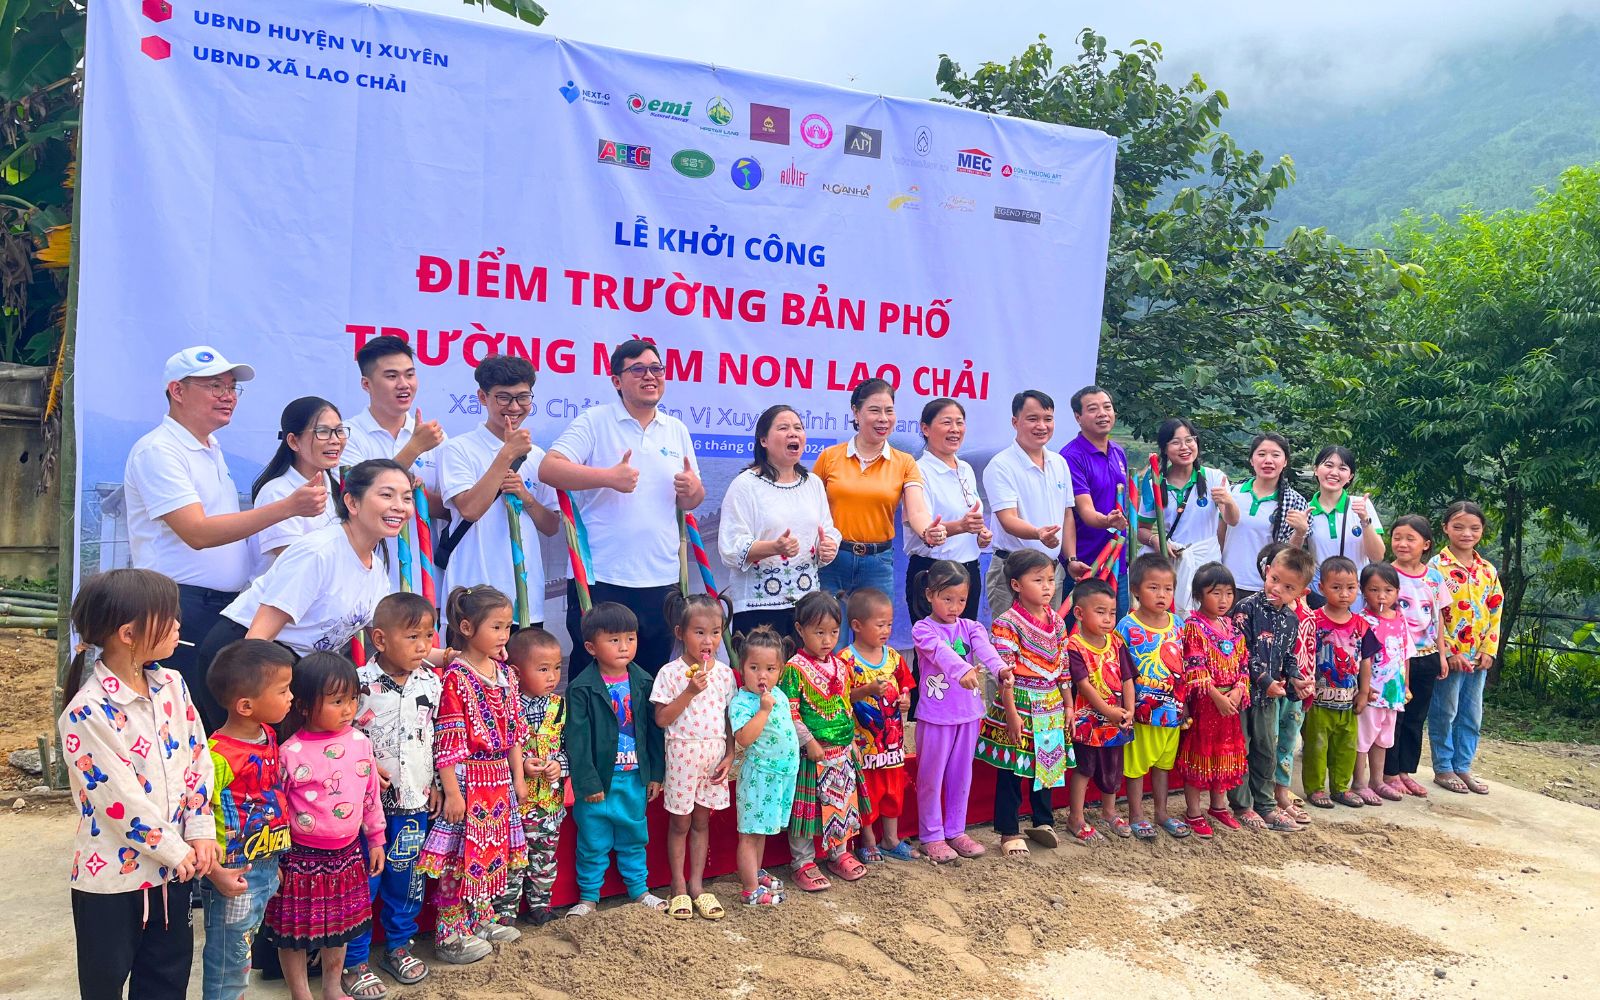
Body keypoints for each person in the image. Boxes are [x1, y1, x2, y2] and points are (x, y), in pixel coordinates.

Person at [125, 346, 323, 729]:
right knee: (185, 717)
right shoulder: (159, 451)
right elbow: (196, 532)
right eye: (214, 386)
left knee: (219, 717)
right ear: (177, 391)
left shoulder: (210, 448)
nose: (227, 396)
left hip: (223, 605)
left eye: (232, 388)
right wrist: (287, 508)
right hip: (180, 603)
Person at [59, 568, 217, 1000]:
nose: (180, 625)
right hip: (113, 881)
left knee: (167, 980)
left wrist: (201, 832)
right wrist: (177, 849)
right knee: (105, 983)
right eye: (169, 616)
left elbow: (198, 760)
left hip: (176, 870)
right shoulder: (86, 712)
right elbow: (119, 802)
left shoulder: (174, 685)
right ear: (129, 634)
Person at [541, 339, 706, 676]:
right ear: (616, 380)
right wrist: (608, 477)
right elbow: (549, 468)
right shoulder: (595, 421)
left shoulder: (676, 430)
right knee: (596, 677)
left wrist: (693, 490)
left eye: (656, 369)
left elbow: (691, 500)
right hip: (601, 575)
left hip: (661, 578)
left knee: (652, 677)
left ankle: (646, 733)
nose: (650, 376)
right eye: (638, 370)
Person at [198, 460, 414, 666]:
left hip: (291, 665)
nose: (399, 507)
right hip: (244, 657)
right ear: (352, 502)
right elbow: (258, 637)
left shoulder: (376, 572)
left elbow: (393, 644)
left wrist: (447, 656)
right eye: (387, 495)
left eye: (407, 498)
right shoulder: (318, 553)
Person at [416, 586, 528, 959]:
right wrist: (452, 791)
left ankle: (481, 918)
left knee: (490, 852)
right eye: (495, 627)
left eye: (506, 627)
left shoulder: (507, 675)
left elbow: (513, 732)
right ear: (465, 627)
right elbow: (447, 739)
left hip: (498, 778)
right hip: (467, 778)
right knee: (459, 858)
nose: (503, 635)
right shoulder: (456, 678)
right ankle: (449, 935)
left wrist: (519, 778)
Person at [266, 653, 386, 1000]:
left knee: (341, 930)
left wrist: (376, 838)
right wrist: (273, 859)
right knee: (295, 934)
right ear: (303, 705)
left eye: (351, 699)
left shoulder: (361, 743)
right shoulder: (290, 753)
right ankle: (301, 994)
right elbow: (275, 809)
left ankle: (332, 989)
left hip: (347, 856)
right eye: (337, 701)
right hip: (299, 859)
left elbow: (369, 796)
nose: (348, 708)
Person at [344, 593, 443, 995]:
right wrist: (366, 764)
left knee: (406, 879)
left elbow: (433, 737)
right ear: (380, 639)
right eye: (413, 637)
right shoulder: (357, 684)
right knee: (363, 884)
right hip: (366, 809)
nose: (423, 646)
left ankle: (399, 946)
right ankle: (353, 962)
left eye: (429, 636)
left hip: (414, 803)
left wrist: (435, 782)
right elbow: (341, 733)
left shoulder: (432, 683)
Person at [200, 640, 294, 1000]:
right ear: (245, 705)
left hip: (265, 863)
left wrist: (272, 863)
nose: (290, 697)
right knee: (230, 956)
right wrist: (215, 872)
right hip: (234, 871)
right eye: (283, 690)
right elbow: (199, 816)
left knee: (245, 944)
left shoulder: (267, 734)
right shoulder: (217, 755)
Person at [438, 355, 559, 627]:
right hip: (472, 596)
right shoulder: (458, 449)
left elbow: (551, 526)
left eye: (523, 397)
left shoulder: (538, 456)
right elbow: (469, 509)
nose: (514, 407)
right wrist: (506, 455)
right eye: (503, 398)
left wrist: (526, 497)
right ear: (483, 397)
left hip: (525, 600)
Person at [564, 602, 669, 915]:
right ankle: (588, 898)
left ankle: (639, 890)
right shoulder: (581, 688)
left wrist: (655, 774)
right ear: (591, 647)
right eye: (614, 640)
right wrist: (587, 781)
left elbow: (653, 733)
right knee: (593, 841)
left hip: (634, 778)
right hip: (598, 782)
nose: (624, 647)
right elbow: (577, 740)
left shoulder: (644, 681)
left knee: (634, 836)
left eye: (630, 638)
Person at [814, 379, 943, 611]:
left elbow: (916, 510)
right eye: (874, 410)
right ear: (856, 412)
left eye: (889, 411)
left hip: (877, 563)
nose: (883, 418)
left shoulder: (905, 463)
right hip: (832, 560)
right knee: (830, 641)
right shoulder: (829, 457)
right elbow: (811, 510)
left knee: (874, 639)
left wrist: (927, 530)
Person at [910, 561, 1007, 864]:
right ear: (929, 595)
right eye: (946, 599)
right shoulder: (923, 629)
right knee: (931, 776)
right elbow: (942, 653)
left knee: (961, 775)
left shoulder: (971, 627)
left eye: (961, 600)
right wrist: (964, 669)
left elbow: (986, 649)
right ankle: (931, 835)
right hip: (936, 716)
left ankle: (956, 829)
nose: (954, 607)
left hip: (969, 714)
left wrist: (1001, 668)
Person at [717, 404, 841, 639]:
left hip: (806, 609)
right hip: (758, 608)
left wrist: (828, 547)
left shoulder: (813, 483)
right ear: (763, 440)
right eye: (783, 428)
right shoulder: (745, 485)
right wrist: (774, 548)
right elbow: (731, 548)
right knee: (764, 676)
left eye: (798, 428)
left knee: (801, 675)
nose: (793, 433)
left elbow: (828, 531)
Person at [978, 549, 1070, 858]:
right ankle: (1009, 830)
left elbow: (1064, 667)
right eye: (1038, 580)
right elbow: (1006, 674)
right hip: (1017, 702)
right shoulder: (1006, 623)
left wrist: (1068, 706)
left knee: (1048, 763)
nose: (1047, 586)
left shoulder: (1057, 622)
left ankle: (1043, 821)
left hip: (1051, 703)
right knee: (1013, 769)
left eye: (1050, 580)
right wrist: (1012, 714)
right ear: (1016, 585)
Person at [652, 593, 738, 921]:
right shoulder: (671, 673)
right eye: (699, 632)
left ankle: (697, 886)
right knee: (681, 822)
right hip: (682, 755)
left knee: (702, 822)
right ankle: (677, 887)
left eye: (715, 632)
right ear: (680, 633)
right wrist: (689, 692)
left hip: (713, 759)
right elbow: (662, 718)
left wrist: (730, 754)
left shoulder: (726, 675)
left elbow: (729, 719)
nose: (708, 640)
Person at [342, 335, 448, 595]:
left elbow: (450, 508)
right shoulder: (347, 436)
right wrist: (413, 450)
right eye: (391, 376)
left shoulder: (435, 437)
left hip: (424, 579)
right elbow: (353, 498)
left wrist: (417, 497)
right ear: (366, 384)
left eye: (409, 374)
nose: (404, 384)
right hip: (362, 581)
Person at [782, 591, 869, 889]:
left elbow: (845, 704)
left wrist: (852, 740)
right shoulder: (793, 669)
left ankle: (839, 853)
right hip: (812, 755)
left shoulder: (840, 666)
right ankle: (802, 862)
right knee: (806, 811)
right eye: (819, 632)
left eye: (833, 632)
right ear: (799, 630)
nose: (827, 640)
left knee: (842, 803)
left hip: (840, 751)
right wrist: (808, 742)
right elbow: (790, 713)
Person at [1227, 547, 1317, 833]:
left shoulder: (1292, 619)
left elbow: (1289, 656)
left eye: (1288, 586)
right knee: (1240, 747)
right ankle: (1242, 806)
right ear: (1267, 572)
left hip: (1269, 697)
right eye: (1275, 579)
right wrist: (1267, 682)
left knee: (1267, 749)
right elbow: (1243, 653)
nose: (1277, 588)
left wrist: (1295, 678)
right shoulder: (1245, 608)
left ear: (1301, 592)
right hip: (1242, 693)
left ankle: (1265, 805)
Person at [984, 390, 1085, 618]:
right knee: (1010, 644)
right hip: (1012, 570)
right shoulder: (1001, 465)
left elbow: (1067, 516)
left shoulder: (1059, 463)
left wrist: (1070, 559)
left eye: (1048, 419)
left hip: (1051, 572)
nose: (1042, 426)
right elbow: (1007, 519)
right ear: (1015, 422)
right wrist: (1037, 533)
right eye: (1033, 419)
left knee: (1047, 641)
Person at [495, 627, 568, 928]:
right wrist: (521, 764)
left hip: (549, 803)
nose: (552, 677)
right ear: (516, 671)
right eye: (543, 669)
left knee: (545, 857)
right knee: (513, 857)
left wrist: (559, 765)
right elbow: (498, 748)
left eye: (557, 668)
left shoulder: (560, 706)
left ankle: (540, 904)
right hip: (516, 803)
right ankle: (506, 911)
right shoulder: (506, 706)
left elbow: (567, 747)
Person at [1428, 501, 1503, 796]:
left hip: (1479, 656)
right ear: (1446, 528)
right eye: (1458, 527)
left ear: (1482, 530)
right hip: (1450, 656)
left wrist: (1489, 649)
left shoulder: (1487, 570)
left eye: (1474, 528)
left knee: (1472, 713)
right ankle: (1444, 766)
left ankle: (1464, 765)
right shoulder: (1436, 567)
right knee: (1445, 710)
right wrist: (1447, 652)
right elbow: (1432, 613)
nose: (1466, 533)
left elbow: (1495, 611)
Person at [1116, 553, 1190, 841]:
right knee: (1136, 765)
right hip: (1141, 711)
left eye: (1168, 589)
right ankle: (1136, 813)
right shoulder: (1127, 627)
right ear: (1135, 589)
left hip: (1172, 711)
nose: (1162, 595)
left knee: (1163, 764)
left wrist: (1186, 705)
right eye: (1153, 588)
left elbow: (1185, 667)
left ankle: (1162, 812)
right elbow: (1121, 671)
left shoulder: (1178, 625)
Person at [841, 588, 916, 863]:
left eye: (889, 624)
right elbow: (842, 698)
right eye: (879, 624)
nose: (886, 630)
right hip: (864, 744)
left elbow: (905, 685)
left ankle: (891, 838)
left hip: (893, 744)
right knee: (868, 790)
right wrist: (867, 690)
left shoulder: (894, 656)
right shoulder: (846, 661)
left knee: (894, 789)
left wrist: (905, 700)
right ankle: (868, 839)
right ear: (857, 626)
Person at [904, 397, 990, 634]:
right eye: (946, 423)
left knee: (963, 649)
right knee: (933, 655)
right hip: (933, 572)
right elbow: (925, 527)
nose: (955, 430)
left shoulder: (965, 469)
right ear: (925, 428)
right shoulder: (918, 471)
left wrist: (980, 534)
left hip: (968, 571)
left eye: (959, 423)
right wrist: (961, 526)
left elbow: (969, 518)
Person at [1175, 563, 1249, 839]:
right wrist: (1217, 696)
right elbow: (1194, 666)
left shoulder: (1233, 627)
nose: (1224, 600)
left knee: (1225, 754)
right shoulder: (1194, 627)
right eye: (1215, 593)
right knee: (1201, 755)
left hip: (1230, 702)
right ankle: (1193, 811)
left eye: (1229, 593)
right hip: (1207, 704)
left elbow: (1244, 663)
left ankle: (1219, 806)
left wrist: (1239, 690)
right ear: (1198, 595)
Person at [728, 626, 799, 907]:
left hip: (781, 775)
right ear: (742, 667)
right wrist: (763, 710)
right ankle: (749, 890)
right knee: (750, 833)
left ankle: (755, 873)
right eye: (754, 667)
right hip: (760, 776)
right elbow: (744, 737)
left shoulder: (778, 694)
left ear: (780, 670)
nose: (762, 675)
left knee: (763, 830)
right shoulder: (744, 701)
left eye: (770, 668)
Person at [1136, 418, 1239, 612]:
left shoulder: (1214, 478)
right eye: (1175, 442)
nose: (1184, 447)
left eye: (1189, 440)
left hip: (1206, 565)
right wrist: (1156, 540)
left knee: (1205, 615)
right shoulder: (1155, 485)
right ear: (1165, 449)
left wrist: (1229, 501)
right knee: (1170, 615)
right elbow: (1141, 530)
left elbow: (1232, 520)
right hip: (1171, 564)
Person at [1303, 556, 1380, 810]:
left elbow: (1366, 660)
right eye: (1336, 587)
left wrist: (1364, 691)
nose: (1344, 594)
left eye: (1350, 587)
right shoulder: (1313, 621)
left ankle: (1341, 788)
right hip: (1318, 700)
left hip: (1348, 700)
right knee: (1316, 746)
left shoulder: (1361, 625)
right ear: (1321, 588)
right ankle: (1315, 789)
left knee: (1346, 747)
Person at [1382, 514, 1451, 798]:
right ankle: (1387, 772)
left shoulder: (1434, 577)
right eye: (1397, 537)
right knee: (1394, 715)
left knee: (1415, 716)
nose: (1402, 543)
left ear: (1426, 544)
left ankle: (1405, 772)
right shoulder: (1385, 574)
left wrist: (1443, 655)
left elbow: (1439, 617)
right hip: (1395, 658)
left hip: (1427, 655)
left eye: (1411, 538)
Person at [1065, 578, 1136, 843]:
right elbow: (1083, 685)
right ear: (1079, 613)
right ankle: (1076, 817)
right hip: (1087, 722)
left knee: (1113, 768)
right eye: (1100, 612)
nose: (1108, 619)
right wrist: (1108, 710)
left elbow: (1128, 678)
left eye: (1112, 613)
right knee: (1084, 768)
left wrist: (1128, 710)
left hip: (1116, 720)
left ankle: (1109, 811)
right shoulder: (1074, 646)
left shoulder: (1116, 643)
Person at [250, 396, 345, 572]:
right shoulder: (276, 492)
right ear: (293, 441)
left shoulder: (339, 487)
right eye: (322, 431)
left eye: (339, 431)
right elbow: (296, 567)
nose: (335, 440)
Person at [1062, 385, 1131, 613]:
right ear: (1078, 417)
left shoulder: (1118, 452)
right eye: (1093, 409)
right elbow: (1086, 512)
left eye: (1107, 407)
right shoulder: (1071, 457)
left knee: (1114, 633)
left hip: (1117, 561)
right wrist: (1108, 521)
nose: (1102, 413)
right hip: (1086, 564)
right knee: (1079, 638)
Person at [1219, 433, 1310, 601]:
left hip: (1266, 588)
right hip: (1226, 584)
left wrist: (1300, 531)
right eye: (1261, 454)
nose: (1268, 460)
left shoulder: (1295, 502)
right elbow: (1220, 537)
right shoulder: (1233, 493)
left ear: (1285, 462)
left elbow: (1289, 554)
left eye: (1275, 455)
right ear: (1252, 460)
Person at [1353, 563, 1409, 806]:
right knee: (1363, 738)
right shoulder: (1362, 621)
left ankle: (1377, 780)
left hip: (1393, 692)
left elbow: (1406, 654)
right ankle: (1359, 782)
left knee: (1384, 739)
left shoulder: (1400, 619)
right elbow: (1358, 659)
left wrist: (1406, 686)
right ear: (1363, 591)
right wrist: (1362, 688)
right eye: (1374, 590)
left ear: (1397, 592)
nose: (1381, 596)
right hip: (1372, 692)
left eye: (1388, 590)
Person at [1306, 446, 1386, 593]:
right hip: (1321, 590)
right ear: (1316, 469)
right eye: (1328, 465)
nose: (1334, 473)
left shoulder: (1361, 505)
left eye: (1342, 468)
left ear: (1350, 476)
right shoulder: (1306, 510)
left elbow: (1377, 557)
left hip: (1357, 590)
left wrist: (1364, 520)